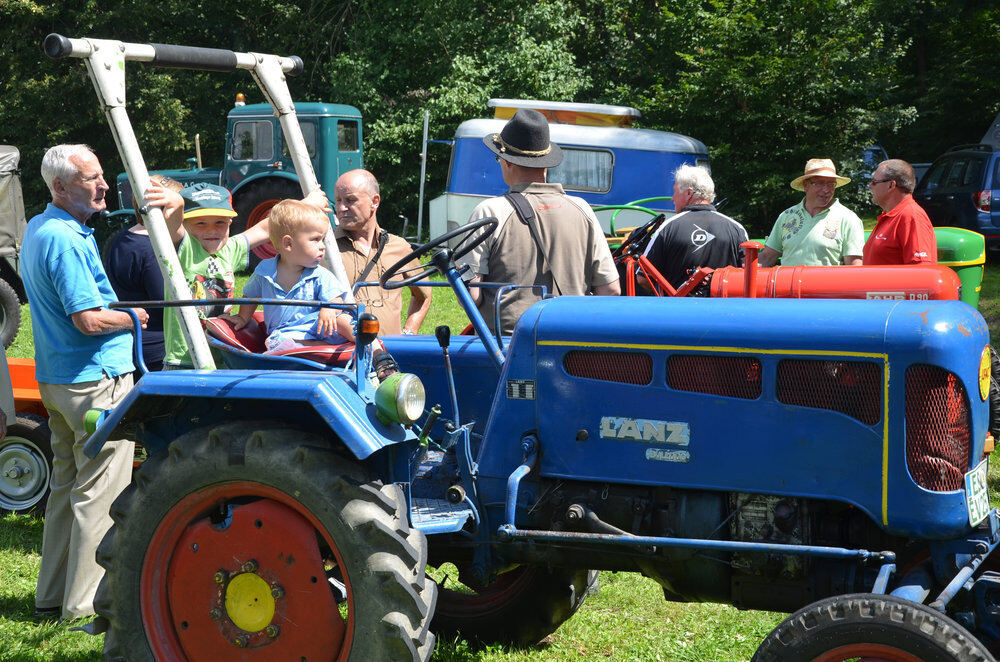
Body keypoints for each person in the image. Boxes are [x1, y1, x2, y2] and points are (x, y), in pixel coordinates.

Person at [23, 144, 149, 621]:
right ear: (60, 187)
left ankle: (51, 596)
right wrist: (132, 316)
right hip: (94, 380)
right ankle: (84, 606)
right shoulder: (68, 239)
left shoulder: (39, 227)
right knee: (98, 494)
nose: (103, 186)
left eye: (102, 176)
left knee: (66, 491)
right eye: (91, 179)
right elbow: (88, 320)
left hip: (58, 380)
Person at [460, 108, 620, 334]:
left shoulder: (490, 212)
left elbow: (472, 296)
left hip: (506, 349)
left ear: (507, 162)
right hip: (569, 346)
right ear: (546, 163)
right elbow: (611, 289)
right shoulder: (583, 210)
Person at [161, 183, 327, 368]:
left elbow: (266, 228)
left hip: (219, 354)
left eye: (220, 222)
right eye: (201, 223)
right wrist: (177, 206)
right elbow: (171, 228)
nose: (212, 230)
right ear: (185, 223)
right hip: (185, 358)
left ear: (230, 223)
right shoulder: (185, 251)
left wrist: (305, 204)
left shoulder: (228, 250)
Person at [225, 199, 354, 350]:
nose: (322, 246)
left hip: (317, 326)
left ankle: (369, 346)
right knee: (275, 341)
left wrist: (329, 309)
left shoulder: (319, 274)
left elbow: (336, 299)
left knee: (344, 320)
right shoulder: (265, 271)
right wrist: (242, 317)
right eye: (316, 240)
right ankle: (321, 349)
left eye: (323, 240)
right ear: (288, 244)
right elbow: (250, 297)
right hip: (285, 332)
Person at [102, 174, 184, 372]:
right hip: (158, 351)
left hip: (131, 342)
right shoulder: (153, 248)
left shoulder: (121, 238)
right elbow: (166, 301)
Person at [335, 169, 431, 335]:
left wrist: (409, 332)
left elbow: (424, 294)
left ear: (375, 202)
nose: (342, 207)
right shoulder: (324, 249)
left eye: (350, 200)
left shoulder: (399, 247)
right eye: (338, 200)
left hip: (390, 352)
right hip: (343, 355)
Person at [641, 164, 748, 291]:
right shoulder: (737, 229)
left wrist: (668, 295)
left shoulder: (668, 227)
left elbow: (643, 277)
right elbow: (748, 277)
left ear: (688, 193)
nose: (672, 198)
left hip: (679, 309)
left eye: (675, 192)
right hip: (724, 309)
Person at [759, 159, 864, 267]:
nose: (826, 189)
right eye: (820, 183)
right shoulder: (787, 215)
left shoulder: (848, 219)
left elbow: (854, 266)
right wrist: (744, 272)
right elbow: (768, 257)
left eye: (831, 184)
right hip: (787, 284)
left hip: (827, 284)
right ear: (806, 185)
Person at [863, 159, 938, 265]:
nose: (870, 186)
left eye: (874, 182)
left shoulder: (912, 216)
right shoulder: (891, 216)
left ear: (891, 185)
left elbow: (921, 271)